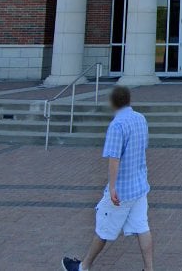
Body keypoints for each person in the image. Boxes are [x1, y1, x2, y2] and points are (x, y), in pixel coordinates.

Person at [63, 85, 153, 271]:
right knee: (142, 227)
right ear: (129, 100)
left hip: (122, 190)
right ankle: (149, 269)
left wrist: (112, 187)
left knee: (103, 229)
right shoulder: (140, 118)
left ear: (113, 102)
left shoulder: (117, 125)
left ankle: (84, 266)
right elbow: (143, 148)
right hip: (139, 186)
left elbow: (114, 158)